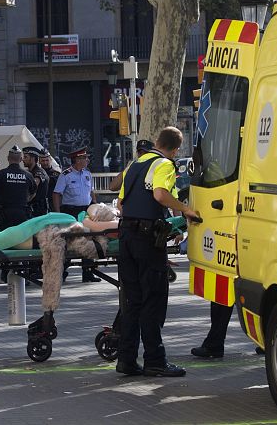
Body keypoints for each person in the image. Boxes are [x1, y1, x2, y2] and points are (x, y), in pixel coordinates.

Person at [116, 127, 200, 377]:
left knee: (132, 301)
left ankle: (126, 360)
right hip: (146, 240)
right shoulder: (165, 164)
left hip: (126, 238)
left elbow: (121, 203)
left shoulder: (135, 164)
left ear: (156, 141)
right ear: (176, 149)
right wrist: (185, 209)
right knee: (153, 299)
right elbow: (160, 195)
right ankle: (155, 360)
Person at [0, 146, 36, 282]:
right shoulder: (28, 175)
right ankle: (24, 271)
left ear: (8, 159)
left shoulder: (0, 175)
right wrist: (25, 200)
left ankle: (6, 271)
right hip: (22, 213)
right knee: (23, 242)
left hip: (5, 214)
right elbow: (33, 192)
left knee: (6, 241)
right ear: (20, 159)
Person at [53, 148, 99, 282]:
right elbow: (57, 194)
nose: (87, 160)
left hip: (85, 210)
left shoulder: (87, 174)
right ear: (77, 160)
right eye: (85, 158)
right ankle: (62, 271)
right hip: (70, 211)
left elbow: (91, 191)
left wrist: (95, 205)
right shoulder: (66, 175)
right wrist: (58, 213)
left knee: (89, 239)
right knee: (69, 241)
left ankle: (88, 272)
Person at [23, 146, 49, 217]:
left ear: (32, 159)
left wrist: (25, 200)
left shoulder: (39, 172)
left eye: (25, 157)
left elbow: (34, 185)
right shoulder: (28, 172)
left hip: (38, 210)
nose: (23, 159)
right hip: (31, 209)